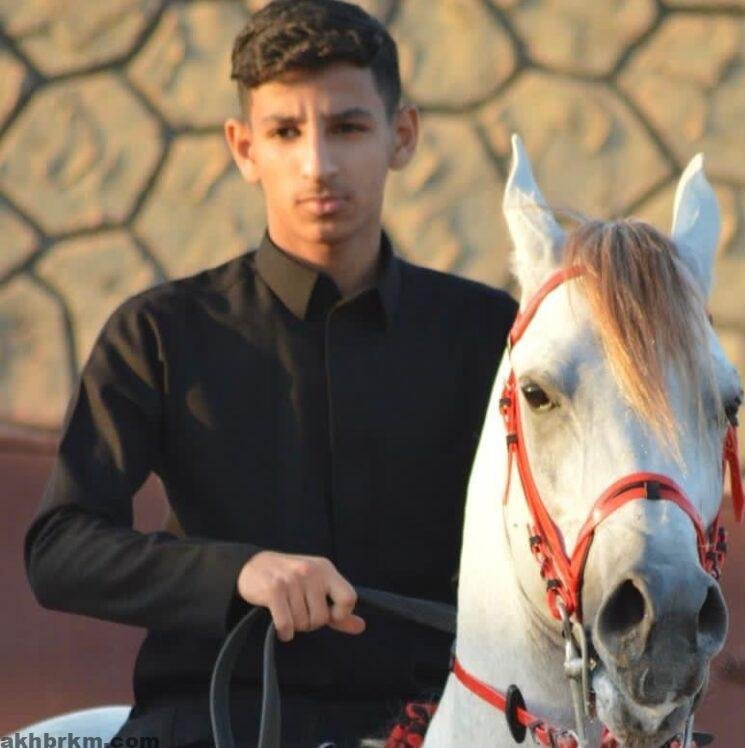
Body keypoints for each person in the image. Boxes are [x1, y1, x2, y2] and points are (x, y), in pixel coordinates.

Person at [22, 1, 517, 746]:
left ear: (402, 136)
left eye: (348, 127)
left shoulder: (488, 334)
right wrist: (237, 572)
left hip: (438, 723)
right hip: (204, 723)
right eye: (286, 132)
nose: (318, 164)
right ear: (244, 147)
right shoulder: (159, 330)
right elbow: (59, 547)